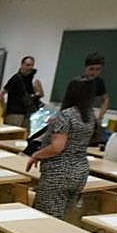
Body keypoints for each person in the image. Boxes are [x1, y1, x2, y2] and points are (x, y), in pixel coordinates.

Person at [26, 77, 96, 219]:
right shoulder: (89, 115)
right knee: (63, 216)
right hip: (79, 171)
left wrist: (37, 154)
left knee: (48, 218)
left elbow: (57, 147)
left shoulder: (66, 115)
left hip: (59, 172)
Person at [0, 55, 43, 130]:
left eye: (32, 65)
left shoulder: (30, 79)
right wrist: (4, 109)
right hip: (14, 113)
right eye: (28, 65)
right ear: (22, 65)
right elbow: (1, 93)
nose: (30, 67)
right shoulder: (16, 78)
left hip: (26, 113)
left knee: (24, 135)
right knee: (12, 134)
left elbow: (40, 94)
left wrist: (36, 93)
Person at [81, 52, 110, 127]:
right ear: (85, 67)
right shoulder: (77, 82)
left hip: (88, 115)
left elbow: (105, 99)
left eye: (98, 69)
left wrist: (100, 117)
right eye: (91, 69)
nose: (94, 72)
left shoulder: (99, 82)